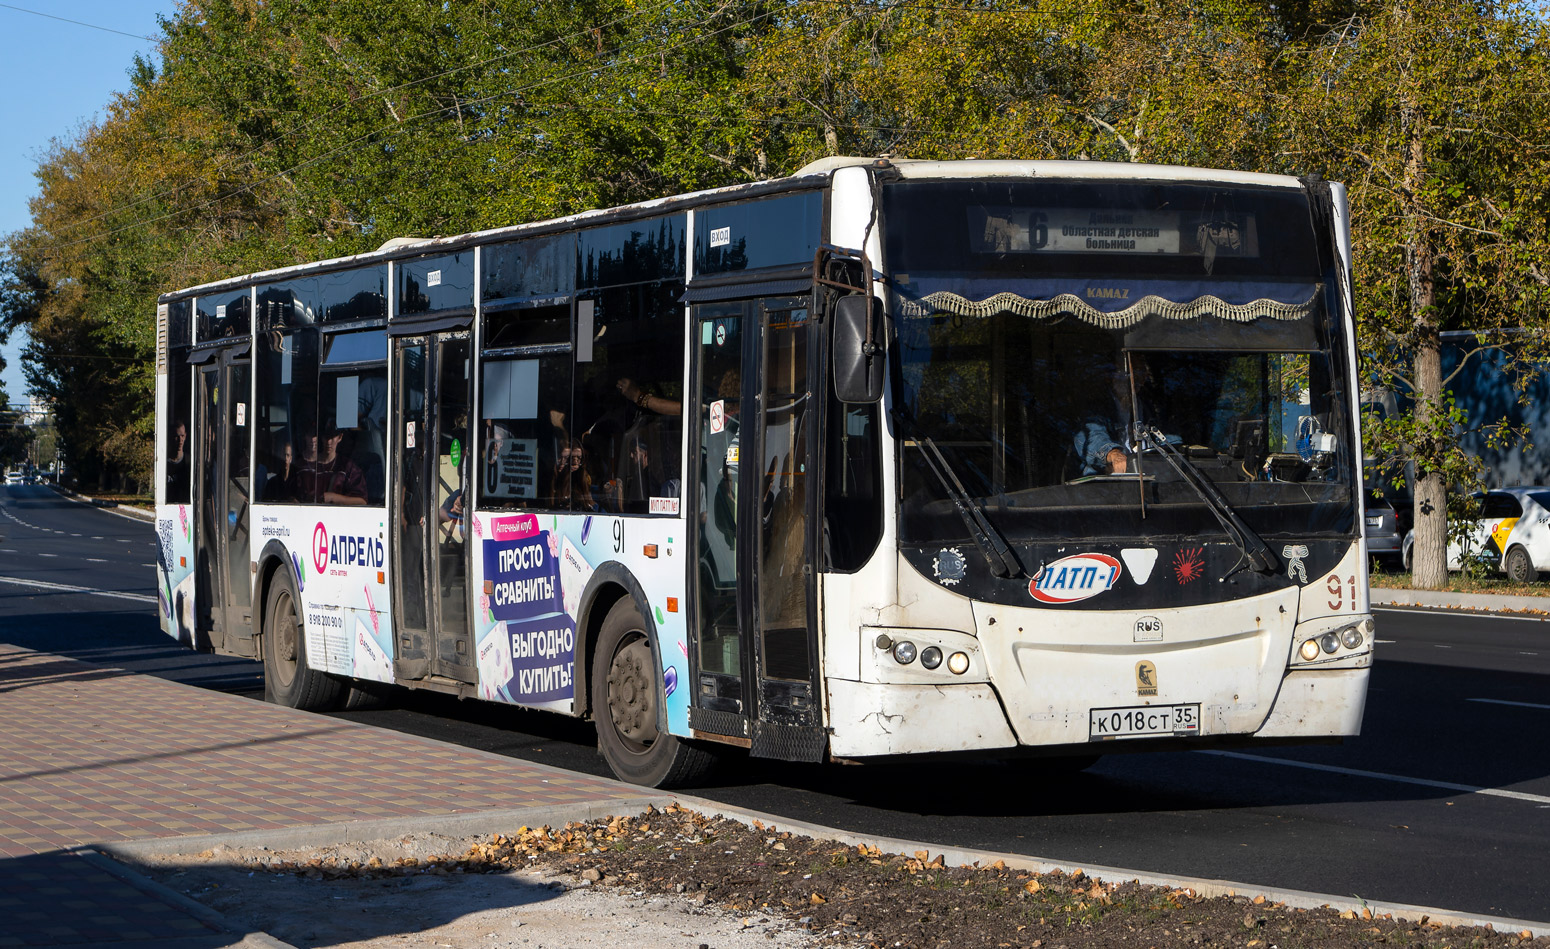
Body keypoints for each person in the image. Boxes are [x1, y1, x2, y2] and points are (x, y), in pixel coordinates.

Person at [297, 421, 368, 505]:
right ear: (321, 437)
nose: (329, 442)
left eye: (333, 437)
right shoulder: (304, 467)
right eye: (326, 437)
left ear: (340, 437)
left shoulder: (348, 467)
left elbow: (362, 501)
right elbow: (290, 497)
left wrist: (334, 498)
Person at [166, 419, 191, 501]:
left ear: (186, 436)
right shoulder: (163, 463)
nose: (180, 440)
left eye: (182, 436)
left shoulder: (190, 462)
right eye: (177, 436)